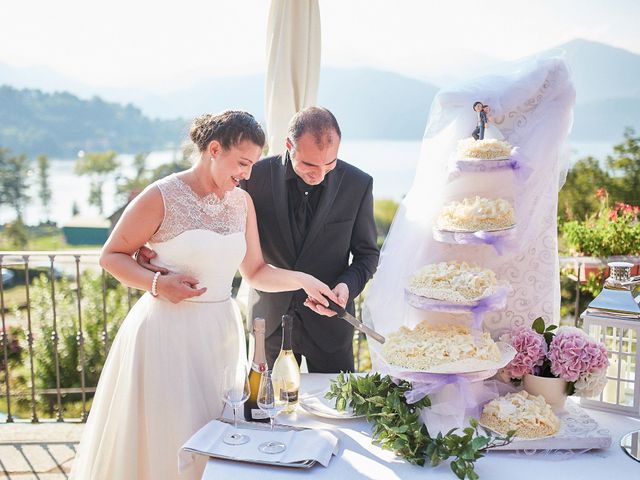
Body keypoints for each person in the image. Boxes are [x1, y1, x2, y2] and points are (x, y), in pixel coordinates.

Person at [71, 111, 338, 480]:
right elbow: (111, 256)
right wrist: (156, 284)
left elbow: (256, 271)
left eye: (252, 165)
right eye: (242, 163)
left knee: (216, 435)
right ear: (214, 149)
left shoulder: (241, 203)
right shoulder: (162, 195)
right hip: (166, 333)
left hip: (220, 334)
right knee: (169, 433)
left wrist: (304, 280)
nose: (246, 174)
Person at [138, 106, 379, 373]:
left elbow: (367, 254)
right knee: (267, 410)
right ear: (289, 145)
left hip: (331, 325)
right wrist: (158, 248)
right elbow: (208, 217)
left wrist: (347, 285)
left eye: (330, 164)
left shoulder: (358, 184)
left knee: (338, 406)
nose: (320, 174)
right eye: (310, 164)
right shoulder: (252, 177)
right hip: (269, 322)